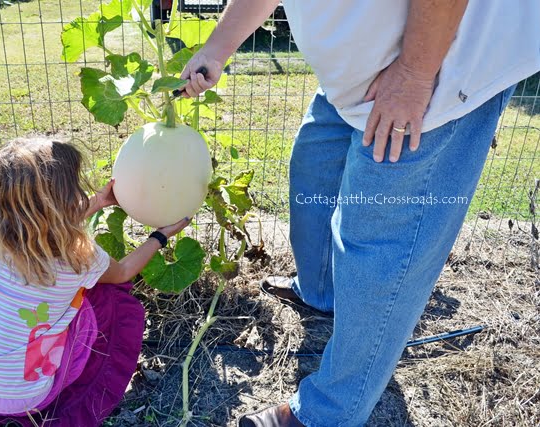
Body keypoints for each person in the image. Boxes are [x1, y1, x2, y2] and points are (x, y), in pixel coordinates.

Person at [179, 0, 540, 426]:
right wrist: (217, 48)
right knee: (313, 171)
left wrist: (412, 75)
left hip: (434, 67)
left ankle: (329, 413)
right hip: (361, 72)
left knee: (379, 245)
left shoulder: (422, 73)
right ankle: (322, 292)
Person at [0, 137, 190, 426]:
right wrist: (160, 235)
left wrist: (100, 202)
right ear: (61, 200)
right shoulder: (78, 259)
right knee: (107, 297)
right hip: (22, 399)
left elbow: (43, 220)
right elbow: (125, 271)